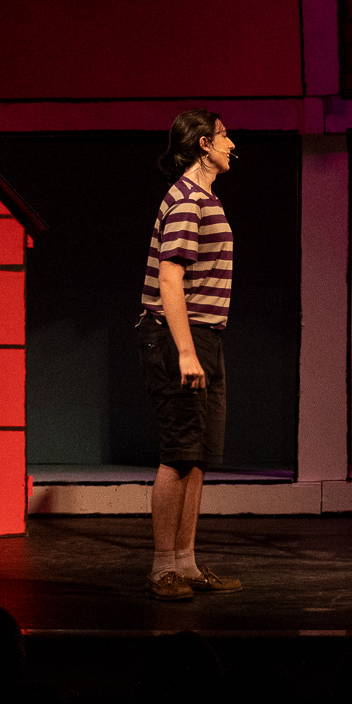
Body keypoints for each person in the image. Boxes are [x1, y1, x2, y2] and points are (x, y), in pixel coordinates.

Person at [136, 108, 242, 599]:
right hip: (179, 335)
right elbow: (169, 278)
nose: (231, 144)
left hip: (204, 335)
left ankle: (186, 563)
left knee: (197, 456)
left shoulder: (204, 198)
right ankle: (163, 567)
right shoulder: (185, 201)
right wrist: (185, 351)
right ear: (203, 144)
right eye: (224, 136)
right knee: (178, 453)